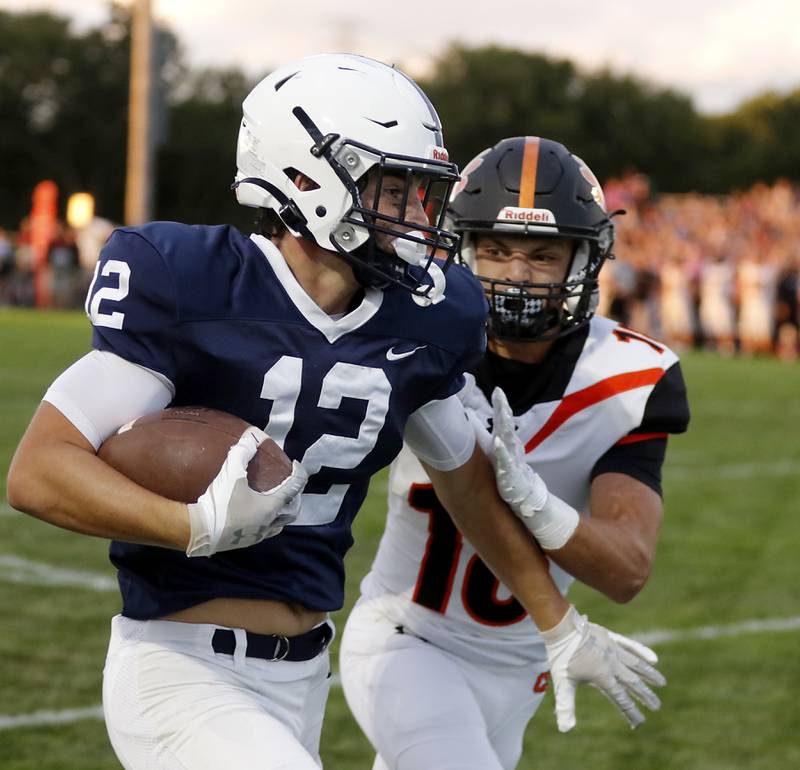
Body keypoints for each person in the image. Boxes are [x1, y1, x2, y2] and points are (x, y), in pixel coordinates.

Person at [8, 58, 659, 769]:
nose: (418, 214)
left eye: (421, 192)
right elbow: (40, 471)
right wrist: (190, 525)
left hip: (301, 673)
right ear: (304, 177)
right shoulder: (193, 281)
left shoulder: (426, 319)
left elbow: (466, 485)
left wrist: (558, 624)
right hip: (179, 664)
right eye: (395, 187)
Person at [340, 136, 690, 770]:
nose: (518, 274)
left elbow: (625, 569)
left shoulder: (627, 376)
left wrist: (539, 503)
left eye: (542, 254)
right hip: (408, 641)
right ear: (464, 250)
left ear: (582, 261)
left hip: (524, 669)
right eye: (497, 251)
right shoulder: (423, 338)